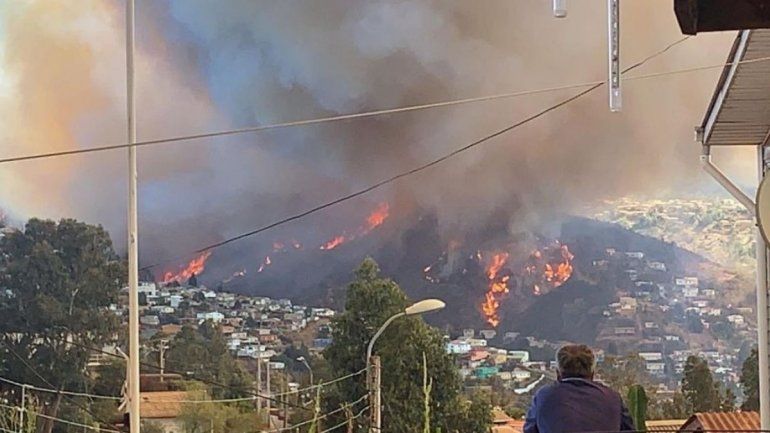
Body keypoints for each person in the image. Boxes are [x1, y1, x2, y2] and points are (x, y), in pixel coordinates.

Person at [523, 344, 635, 433]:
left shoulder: (544, 396)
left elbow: (530, 430)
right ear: (592, 373)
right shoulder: (612, 397)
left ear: (558, 373)